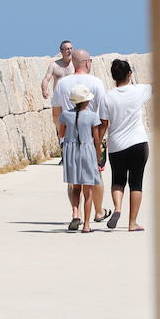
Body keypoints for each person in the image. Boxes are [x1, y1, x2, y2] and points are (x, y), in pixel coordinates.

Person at [52, 49, 110, 222]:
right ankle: (98, 211)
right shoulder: (97, 83)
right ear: (87, 62)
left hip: (69, 138)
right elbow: (103, 115)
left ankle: (75, 212)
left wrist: (62, 136)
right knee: (94, 176)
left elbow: (56, 113)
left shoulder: (62, 84)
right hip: (90, 138)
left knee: (73, 179)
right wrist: (99, 139)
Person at [103, 59, 151, 231]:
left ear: (113, 76)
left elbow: (103, 123)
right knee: (136, 183)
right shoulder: (139, 91)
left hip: (116, 145)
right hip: (138, 143)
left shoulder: (107, 97)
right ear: (129, 74)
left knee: (118, 180)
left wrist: (98, 144)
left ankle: (117, 208)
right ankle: (132, 223)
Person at [57, 85, 104, 232]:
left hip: (71, 152)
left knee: (76, 187)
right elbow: (96, 139)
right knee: (88, 191)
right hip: (87, 151)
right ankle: (87, 225)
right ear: (85, 101)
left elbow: (61, 134)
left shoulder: (65, 114)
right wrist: (99, 155)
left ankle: (76, 212)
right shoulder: (92, 116)